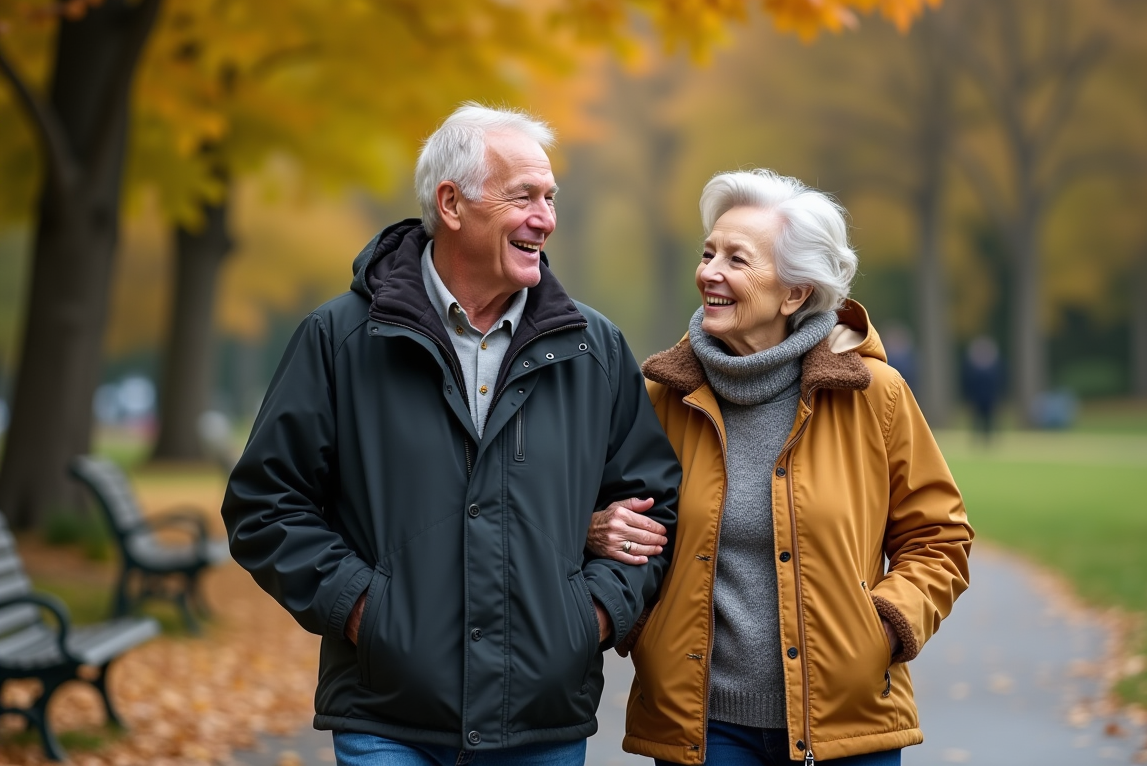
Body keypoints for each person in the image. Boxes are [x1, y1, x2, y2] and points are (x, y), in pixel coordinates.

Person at [221, 103, 681, 766]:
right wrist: (364, 611)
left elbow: (652, 507)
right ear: (452, 203)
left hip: (541, 724)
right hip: (389, 716)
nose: (545, 218)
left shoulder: (594, 348)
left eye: (550, 198)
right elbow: (265, 505)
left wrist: (590, 618)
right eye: (523, 196)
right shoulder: (341, 339)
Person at [589, 169, 972, 765]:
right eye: (708, 252)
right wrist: (616, 572)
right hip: (703, 729)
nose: (709, 272)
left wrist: (886, 625)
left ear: (794, 293)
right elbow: (603, 517)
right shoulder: (660, 397)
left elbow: (939, 535)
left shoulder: (875, 393)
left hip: (847, 724)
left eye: (736, 260)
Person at [961, 335, 1003, 443]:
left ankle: (989, 439)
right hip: (976, 397)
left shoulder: (994, 365)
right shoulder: (972, 366)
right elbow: (968, 383)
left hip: (990, 398)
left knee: (989, 420)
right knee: (975, 420)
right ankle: (976, 439)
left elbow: (998, 382)